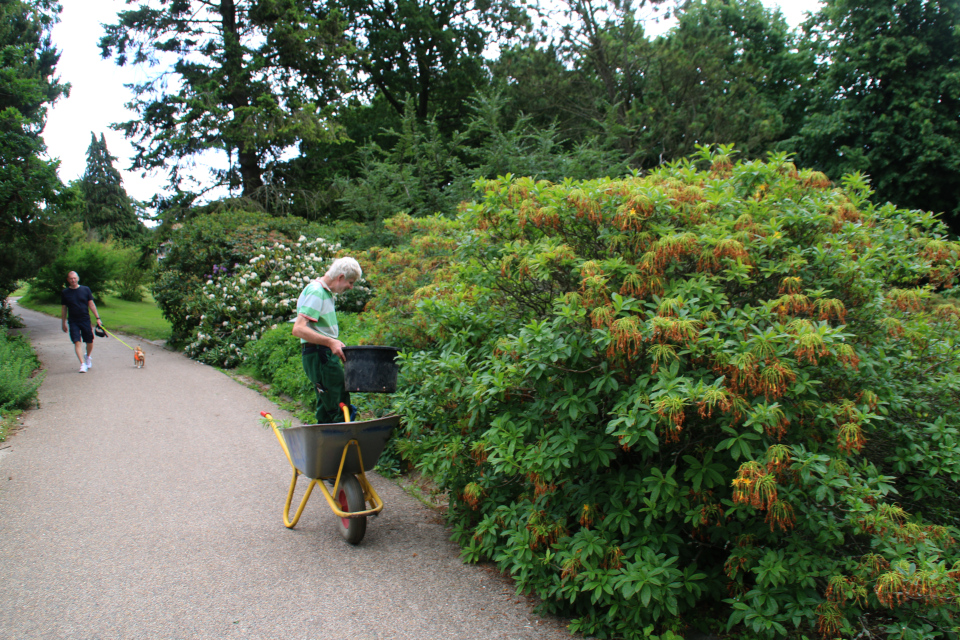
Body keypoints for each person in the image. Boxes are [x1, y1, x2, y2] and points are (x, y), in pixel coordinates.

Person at [292, 257, 361, 423]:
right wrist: (330, 342)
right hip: (319, 354)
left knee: (326, 405)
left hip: (320, 353)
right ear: (340, 277)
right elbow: (298, 329)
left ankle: (322, 447)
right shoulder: (317, 292)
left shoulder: (323, 292)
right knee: (339, 404)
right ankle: (343, 446)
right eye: (350, 282)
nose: (350, 287)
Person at [60, 271, 103, 373]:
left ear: (78, 278)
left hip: (85, 319)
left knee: (89, 341)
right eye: (71, 278)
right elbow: (64, 308)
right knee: (76, 341)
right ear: (68, 280)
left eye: (74, 278)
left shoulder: (85, 289)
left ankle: (87, 356)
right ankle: (82, 364)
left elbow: (91, 304)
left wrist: (98, 318)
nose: (73, 280)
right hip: (73, 320)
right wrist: (63, 322)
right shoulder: (65, 293)